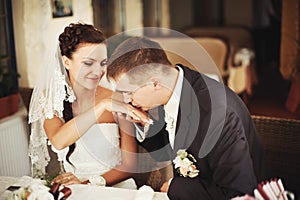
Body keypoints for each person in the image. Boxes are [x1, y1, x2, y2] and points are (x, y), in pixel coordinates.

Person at [106, 36, 266, 199]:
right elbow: (167, 152)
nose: (126, 101)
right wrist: (144, 124)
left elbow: (236, 193)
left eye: (128, 93)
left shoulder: (217, 115)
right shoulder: (173, 87)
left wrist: (176, 187)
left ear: (154, 83)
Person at [28, 22, 146, 188]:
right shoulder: (51, 99)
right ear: (66, 62)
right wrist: (102, 106)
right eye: (88, 63)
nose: (98, 71)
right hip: (74, 190)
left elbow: (129, 166)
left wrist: (89, 183)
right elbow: (58, 141)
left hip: (115, 189)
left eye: (103, 63)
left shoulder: (118, 97)